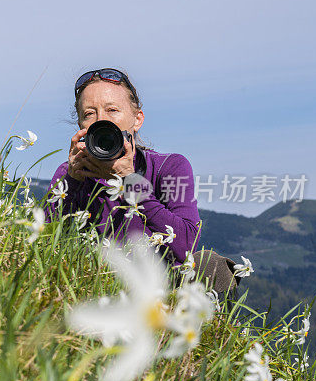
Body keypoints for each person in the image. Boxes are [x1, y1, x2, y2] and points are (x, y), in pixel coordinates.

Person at [44, 68, 239, 299]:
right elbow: (44, 244)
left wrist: (131, 181)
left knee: (210, 264)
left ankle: (213, 334)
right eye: (89, 113)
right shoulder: (71, 173)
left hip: (163, 288)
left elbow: (187, 245)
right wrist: (73, 183)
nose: (101, 120)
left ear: (137, 119)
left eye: (112, 110)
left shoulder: (169, 167)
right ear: (80, 125)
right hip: (94, 285)